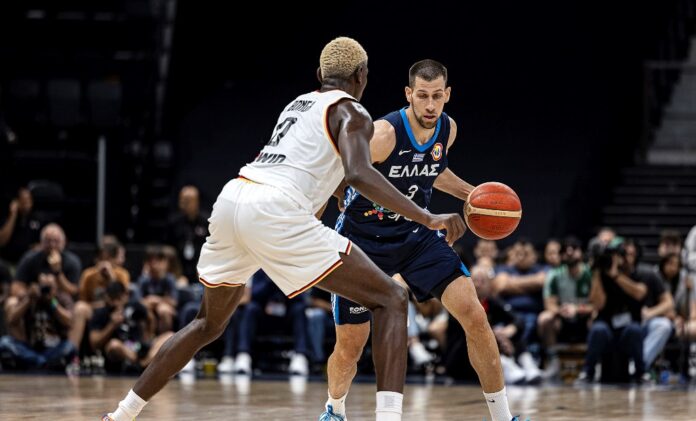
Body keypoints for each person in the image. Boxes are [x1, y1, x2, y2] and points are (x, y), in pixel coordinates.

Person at [102, 37, 465, 421]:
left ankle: (121, 415)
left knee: (206, 323)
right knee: (392, 298)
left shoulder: (299, 103)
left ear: (320, 75)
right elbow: (360, 173)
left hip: (234, 197)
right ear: (362, 76)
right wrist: (427, 217)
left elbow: (316, 166)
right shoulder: (354, 111)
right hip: (276, 210)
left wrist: (336, 189)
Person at [319, 60, 516, 421]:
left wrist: (472, 195)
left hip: (415, 238)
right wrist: (335, 195)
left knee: (474, 314)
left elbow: (432, 170)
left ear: (447, 95)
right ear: (408, 94)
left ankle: (504, 417)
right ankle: (335, 408)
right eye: (422, 96)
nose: (430, 105)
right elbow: (338, 165)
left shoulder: (447, 129)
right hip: (363, 241)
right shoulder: (384, 134)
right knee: (350, 345)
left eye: (437, 96)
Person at [0, 187, 42, 265]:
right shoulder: (7, 218)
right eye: (23, 200)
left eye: (29, 199)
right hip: (7, 262)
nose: (27, 203)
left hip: (29, 262)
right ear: (17, 202)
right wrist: (13, 215)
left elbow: (41, 243)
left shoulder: (36, 220)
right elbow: (1, 241)